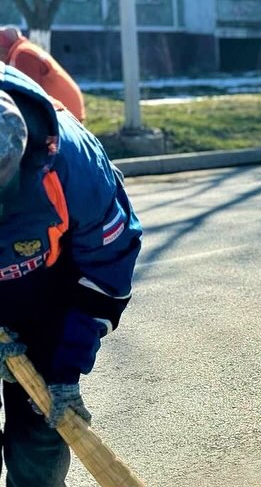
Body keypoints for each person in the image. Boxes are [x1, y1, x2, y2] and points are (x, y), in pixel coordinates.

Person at [0, 62, 141, 486]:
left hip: (47, 296)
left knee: (39, 434)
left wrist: (65, 372)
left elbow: (106, 275)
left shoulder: (74, 166)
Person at [0, 26, 86, 122]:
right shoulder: (25, 49)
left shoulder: (22, 55)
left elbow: (25, 96)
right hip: (67, 111)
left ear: (2, 50)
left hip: (65, 116)